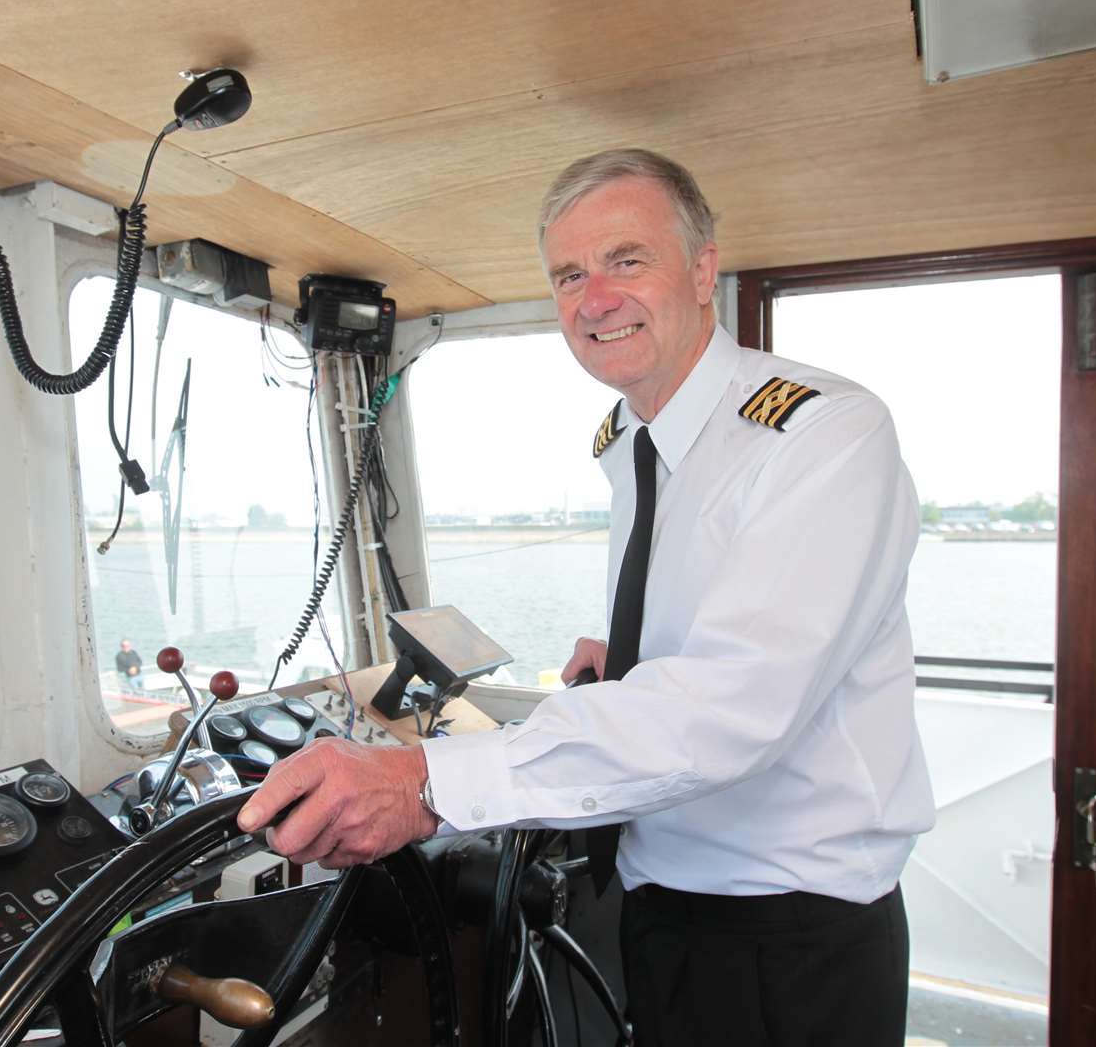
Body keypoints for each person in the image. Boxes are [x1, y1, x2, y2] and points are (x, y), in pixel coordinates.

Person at [237, 148, 935, 1045]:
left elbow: (735, 703)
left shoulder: (820, 433)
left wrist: (429, 779)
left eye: (626, 260)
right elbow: (719, 617)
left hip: (787, 930)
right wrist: (629, 656)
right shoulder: (628, 438)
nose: (593, 298)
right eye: (569, 274)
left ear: (702, 268)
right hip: (661, 894)